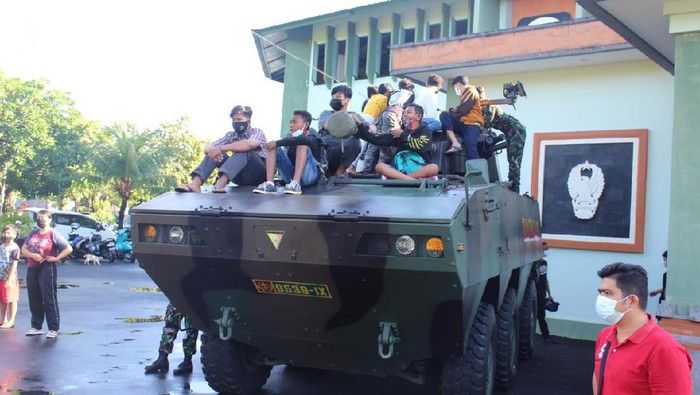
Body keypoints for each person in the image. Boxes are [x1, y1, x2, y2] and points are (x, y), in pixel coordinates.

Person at [593, 262, 693, 395]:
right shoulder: (605, 336)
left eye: (608, 293)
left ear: (632, 301)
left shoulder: (664, 349)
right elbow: (598, 377)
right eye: (600, 293)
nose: (601, 299)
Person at [175, 105, 268, 193]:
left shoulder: (257, 132)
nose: (236, 122)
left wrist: (222, 148)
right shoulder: (231, 136)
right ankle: (195, 184)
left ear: (248, 121)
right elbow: (207, 147)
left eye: (239, 119)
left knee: (244, 150)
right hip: (239, 176)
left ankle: (221, 182)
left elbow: (251, 144)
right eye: (233, 120)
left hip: (258, 174)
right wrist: (215, 151)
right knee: (214, 152)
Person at [21, 209, 72, 339]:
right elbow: (24, 249)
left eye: (43, 218)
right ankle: (36, 326)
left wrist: (56, 258)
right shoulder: (33, 233)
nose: (41, 220)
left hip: (47, 267)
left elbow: (68, 248)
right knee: (34, 296)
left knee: (49, 297)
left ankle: (53, 328)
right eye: (39, 218)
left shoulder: (53, 234)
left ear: (49, 219)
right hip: (32, 267)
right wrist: (32, 255)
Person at [354, 103, 438, 180]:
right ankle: (411, 180)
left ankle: (401, 179)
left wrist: (402, 135)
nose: (404, 114)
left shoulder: (425, 131)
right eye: (404, 112)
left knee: (434, 168)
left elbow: (421, 147)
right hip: (400, 169)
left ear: (418, 116)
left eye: (408, 112)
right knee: (380, 167)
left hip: (420, 169)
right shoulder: (399, 133)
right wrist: (360, 124)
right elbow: (375, 139)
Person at [253, 110, 327, 195]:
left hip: (310, 177)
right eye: (290, 122)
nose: (291, 125)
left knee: (302, 144)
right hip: (289, 179)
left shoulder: (312, 135)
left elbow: (304, 140)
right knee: (272, 146)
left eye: (295, 122)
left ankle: (296, 184)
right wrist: (276, 144)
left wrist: (278, 142)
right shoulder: (289, 139)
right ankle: (270, 184)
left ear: (305, 125)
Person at [477, 86, 527, 193]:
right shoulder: (482, 107)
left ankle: (514, 189)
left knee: (514, 161)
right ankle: (513, 186)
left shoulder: (488, 106)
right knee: (513, 160)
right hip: (509, 132)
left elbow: (485, 125)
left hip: (516, 131)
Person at [358, 89, 413, 174]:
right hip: (393, 116)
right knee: (386, 144)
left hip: (383, 114)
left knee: (374, 143)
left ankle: (366, 170)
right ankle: (380, 172)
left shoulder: (397, 94)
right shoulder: (405, 97)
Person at [317, 85, 362, 178]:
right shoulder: (326, 113)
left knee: (355, 141)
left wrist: (360, 123)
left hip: (343, 156)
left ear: (347, 100)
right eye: (332, 97)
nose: (334, 99)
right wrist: (347, 119)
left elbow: (369, 128)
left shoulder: (354, 115)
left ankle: (340, 172)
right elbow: (326, 126)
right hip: (328, 154)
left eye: (338, 97)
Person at [144, 302, 199, 375]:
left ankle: (187, 361)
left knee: (191, 327)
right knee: (170, 322)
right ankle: (162, 358)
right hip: (179, 295)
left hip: (195, 297)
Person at [439, 75, 483, 159]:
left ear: (458, 84)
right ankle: (455, 143)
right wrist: (449, 112)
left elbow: (464, 109)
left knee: (471, 149)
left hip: (472, 125)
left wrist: (451, 111)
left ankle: (476, 170)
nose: (456, 89)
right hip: (463, 123)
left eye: (455, 87)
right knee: (444, 115)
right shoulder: (465, 94)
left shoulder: (471, 91)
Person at [534, 242, 557, 343]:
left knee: (541, 315)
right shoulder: (534, 264)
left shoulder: (544, 263)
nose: (545, 251)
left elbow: (545, 279)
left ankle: (546, 336)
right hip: (534, 294)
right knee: (535, 315)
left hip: (542, 293)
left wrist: (549, 294)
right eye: (544, 249)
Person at [0, 224, 20, 329]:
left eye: (9, 232)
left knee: (11, 298)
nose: (7, 235)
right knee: (2, 299)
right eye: (5, 232)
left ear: (15, 234)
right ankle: (3, 319)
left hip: (9, 277)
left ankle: (11, 320)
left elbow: (14, 263)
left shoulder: (15, 248)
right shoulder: (2, 246)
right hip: (1, 276)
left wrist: (10, 278)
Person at [649, 250, 668, 321]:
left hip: (667, 303)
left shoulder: (669, 275)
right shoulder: (666, 274)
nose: (664, 262)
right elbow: (666, 288)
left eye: (665, 260)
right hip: (663, 301)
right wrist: (656, 292)